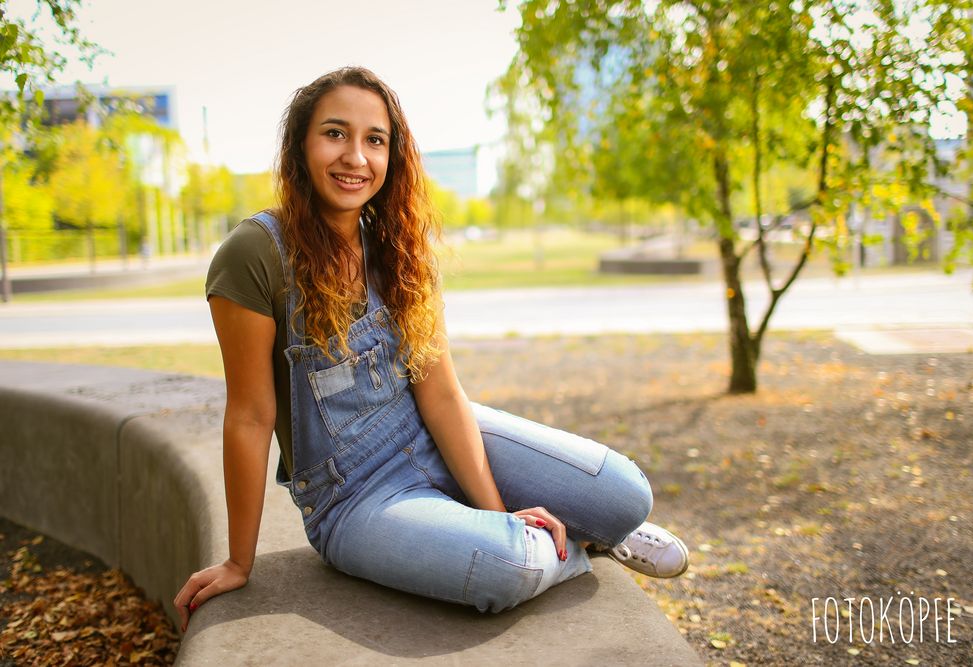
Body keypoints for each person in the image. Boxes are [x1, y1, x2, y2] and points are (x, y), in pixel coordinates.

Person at [172, 66, 688, 631]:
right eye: (335, 133)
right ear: (300, 145)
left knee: (627, 495)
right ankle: (576, 548)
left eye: (375, 140)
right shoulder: (255, 252)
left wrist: (495, 511)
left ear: (393, 157)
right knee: (509, 565)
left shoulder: (397, 248)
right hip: (356, 500)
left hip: (426, 434)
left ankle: (581, 527)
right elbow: (249, 415)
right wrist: (239, 562)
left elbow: (440, 393)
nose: (356, 157)